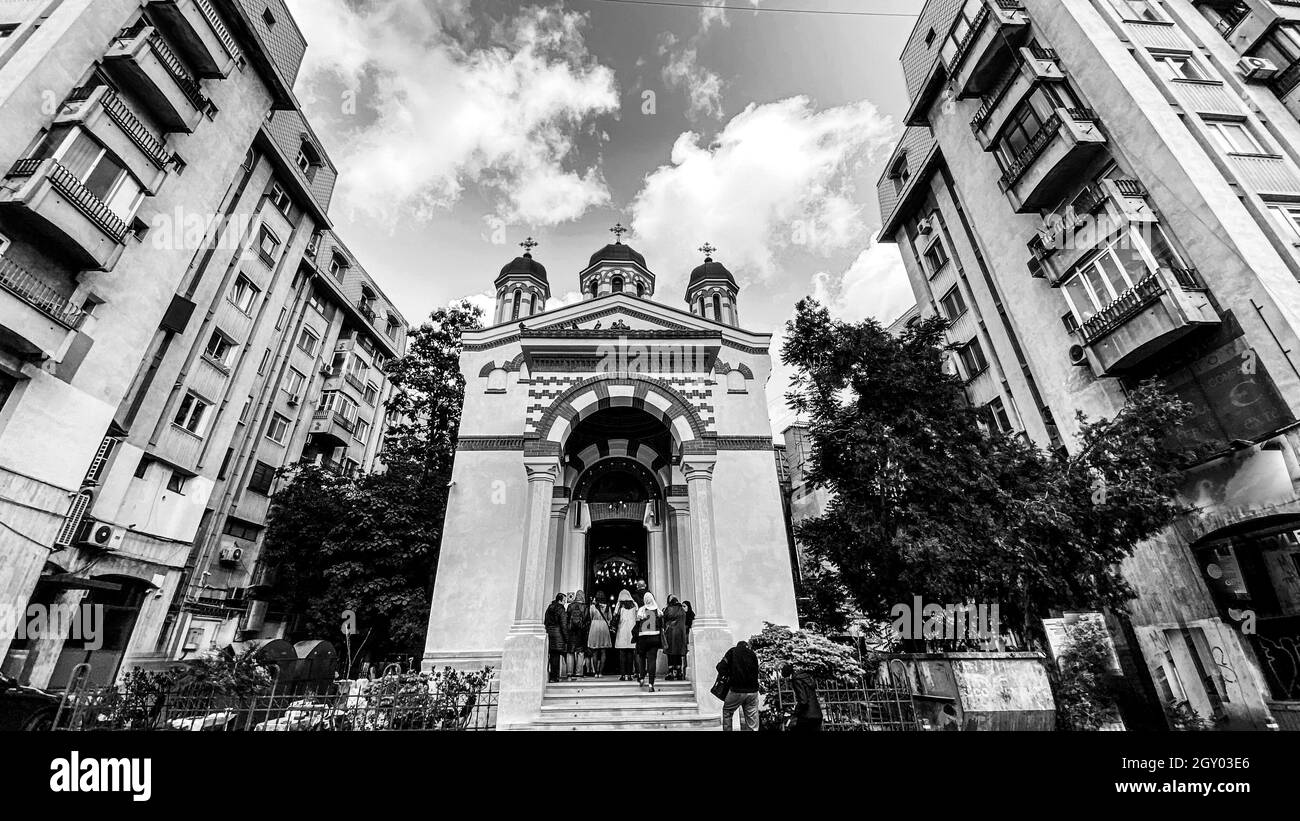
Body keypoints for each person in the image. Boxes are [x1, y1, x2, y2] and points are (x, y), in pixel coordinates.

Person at [716, 640, 760, 731]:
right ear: (747, 646)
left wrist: (729, 676)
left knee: (728, 712)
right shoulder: (752, 654)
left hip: (736, 690)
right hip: (753, 691)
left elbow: (721, 667)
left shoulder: (732, 651)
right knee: (752, 718)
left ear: (737, 646)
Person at [781, 662, 823, 732]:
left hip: (807, 716)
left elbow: (803, 700)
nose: (788, 681)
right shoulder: (806, 677)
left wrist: (795, 713)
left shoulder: (796, 680)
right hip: (817, 714)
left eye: (787, 679)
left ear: (788, 675)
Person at [635, 592, 663, 692]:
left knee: (642, 658)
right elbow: (661, 619)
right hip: (654, 636)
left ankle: (641, 677)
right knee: (652, 661)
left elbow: (637, 623)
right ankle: (651, 684)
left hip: (643, 637)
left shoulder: (641, 610)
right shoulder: (657, 610)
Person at [661, 596, 690, 681]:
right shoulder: (681, 609)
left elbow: (664, 619)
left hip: (670, 633)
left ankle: (670, 672)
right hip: (680, 634)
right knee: (678, 653)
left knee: (670, 654)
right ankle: (679, 672)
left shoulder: (668, 609)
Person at [611, 589, 638, 681]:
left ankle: (623, 675)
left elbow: (615, 616)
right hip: (631, 632)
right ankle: (629, 675)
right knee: (630, 654)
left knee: (622, 655)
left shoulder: (619, 605)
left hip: (622, 631)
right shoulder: (635, 605)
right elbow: (638, 617)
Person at [564, 591, 590, 681]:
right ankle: (579, 673)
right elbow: (587, 620)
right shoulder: (585, 607)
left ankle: (569, 673)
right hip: (581, 633)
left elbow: (566, 619)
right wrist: (585, 628)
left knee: (570, 652)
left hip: (571, 632)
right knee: (580, 652)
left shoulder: (570, 606)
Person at [586, 591, 612, 677]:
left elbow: (590, 616)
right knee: (603, 651)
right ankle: (600, 672)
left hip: (594, 626)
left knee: (595, 651)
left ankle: (596, 672)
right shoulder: (607, 606)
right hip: (604, 627)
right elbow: (610, 618)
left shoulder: (593, 607)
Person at [544, 594, 566, 683]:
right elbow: (563, 624)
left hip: (550, 633)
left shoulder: (549, 608)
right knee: (556, 656)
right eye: (564, 600)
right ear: (560, 601)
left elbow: (546, 621)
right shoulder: (561, 609)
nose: (565, 602)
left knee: (552, 656)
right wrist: (566, 637)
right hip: (558, 634)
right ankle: (555, 677)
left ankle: (552, 676)